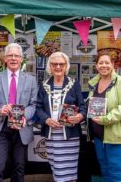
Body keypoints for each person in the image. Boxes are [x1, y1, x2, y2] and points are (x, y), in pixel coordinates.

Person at [0, 43, 37, 182]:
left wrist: (24, 115)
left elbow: (34, 105)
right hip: (0, 127)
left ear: (21, 59)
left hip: (21, 129)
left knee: (19, 167)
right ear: (5, 58)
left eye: (16, 55)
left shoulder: (31, 80)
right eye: (10, 55)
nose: (13, 58)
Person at [36, 52, 86, 182]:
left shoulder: (74, 84)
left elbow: (82, 106)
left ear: (66, 66)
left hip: (70, 135)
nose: (58, 67)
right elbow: (38, 107)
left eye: (61, 64)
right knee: (57, 170)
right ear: (50, 67)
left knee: (69, 171)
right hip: (52, 135)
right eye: (54, 64)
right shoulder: (44, 85)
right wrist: (46, 119)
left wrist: (80, 116)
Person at [87, 52, 121, 182]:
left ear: (113, 65)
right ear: (96, 66)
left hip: (118, 138)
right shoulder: (94, 83)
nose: (104, 65)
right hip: (99, 138)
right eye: (100, 63)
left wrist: (104, 119)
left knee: (117, 175)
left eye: (107, 62)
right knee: (105, 172)